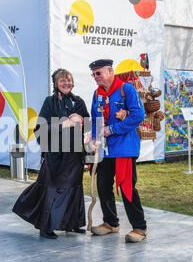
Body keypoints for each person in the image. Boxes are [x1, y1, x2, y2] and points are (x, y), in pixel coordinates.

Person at [12, 69, 90, 239]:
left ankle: (73, 223)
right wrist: (66, 124)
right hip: (55, 153)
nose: (66, 83)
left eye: (69, 80)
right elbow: (40, 129)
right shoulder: (50, 102)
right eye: (62, 80)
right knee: (52, 189)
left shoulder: (79, 102)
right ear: (55, 84)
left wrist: (83, 122)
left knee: (74, 188)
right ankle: (46, 225)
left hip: (74, 153)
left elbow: (89, 127)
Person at [89, 59, 148, 243]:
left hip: (124, 148)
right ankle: (111, 223)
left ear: (110, 71)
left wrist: (112, 130)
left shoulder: (126, 90)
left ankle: (139, 227)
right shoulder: (97, 94)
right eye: (93, 74)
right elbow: (95, 118)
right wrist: (94, 138)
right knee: (103, 185)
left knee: (126, 187)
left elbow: (139, 115)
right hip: (105, 149)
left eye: (98, 73)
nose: (95, 77)